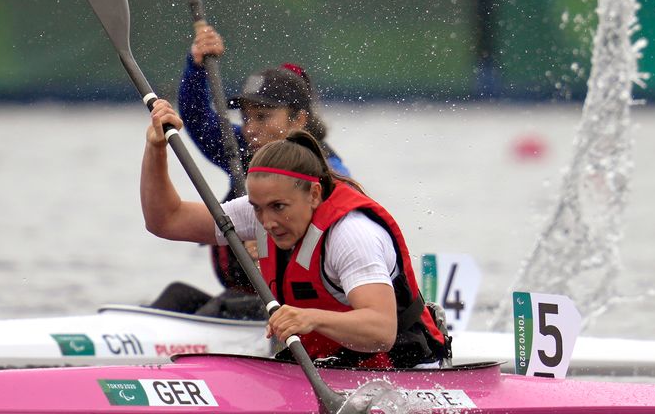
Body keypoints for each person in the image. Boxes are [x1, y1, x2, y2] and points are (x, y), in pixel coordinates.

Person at [141, 102, 449, 368]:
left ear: (313, 195)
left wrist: (310, 318)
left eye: (279, 207)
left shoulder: (352, 235)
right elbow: (167, 221)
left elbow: (381, 331)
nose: (267, 222)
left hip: (405, 368)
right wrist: (156, 149)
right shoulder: (260, 212)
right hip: (330, 366)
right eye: (258, 208)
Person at [148, 25, 350, 317]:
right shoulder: (244, 151)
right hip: (241, 298)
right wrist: (197, 66)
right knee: (177, 295)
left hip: (291, 305)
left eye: (262, 117)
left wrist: (272, 242)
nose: (250, 128)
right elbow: (197, 118)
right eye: (245, 117)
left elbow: (333, 234)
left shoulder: (329, 172)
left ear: (298, 119)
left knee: (219, 307)